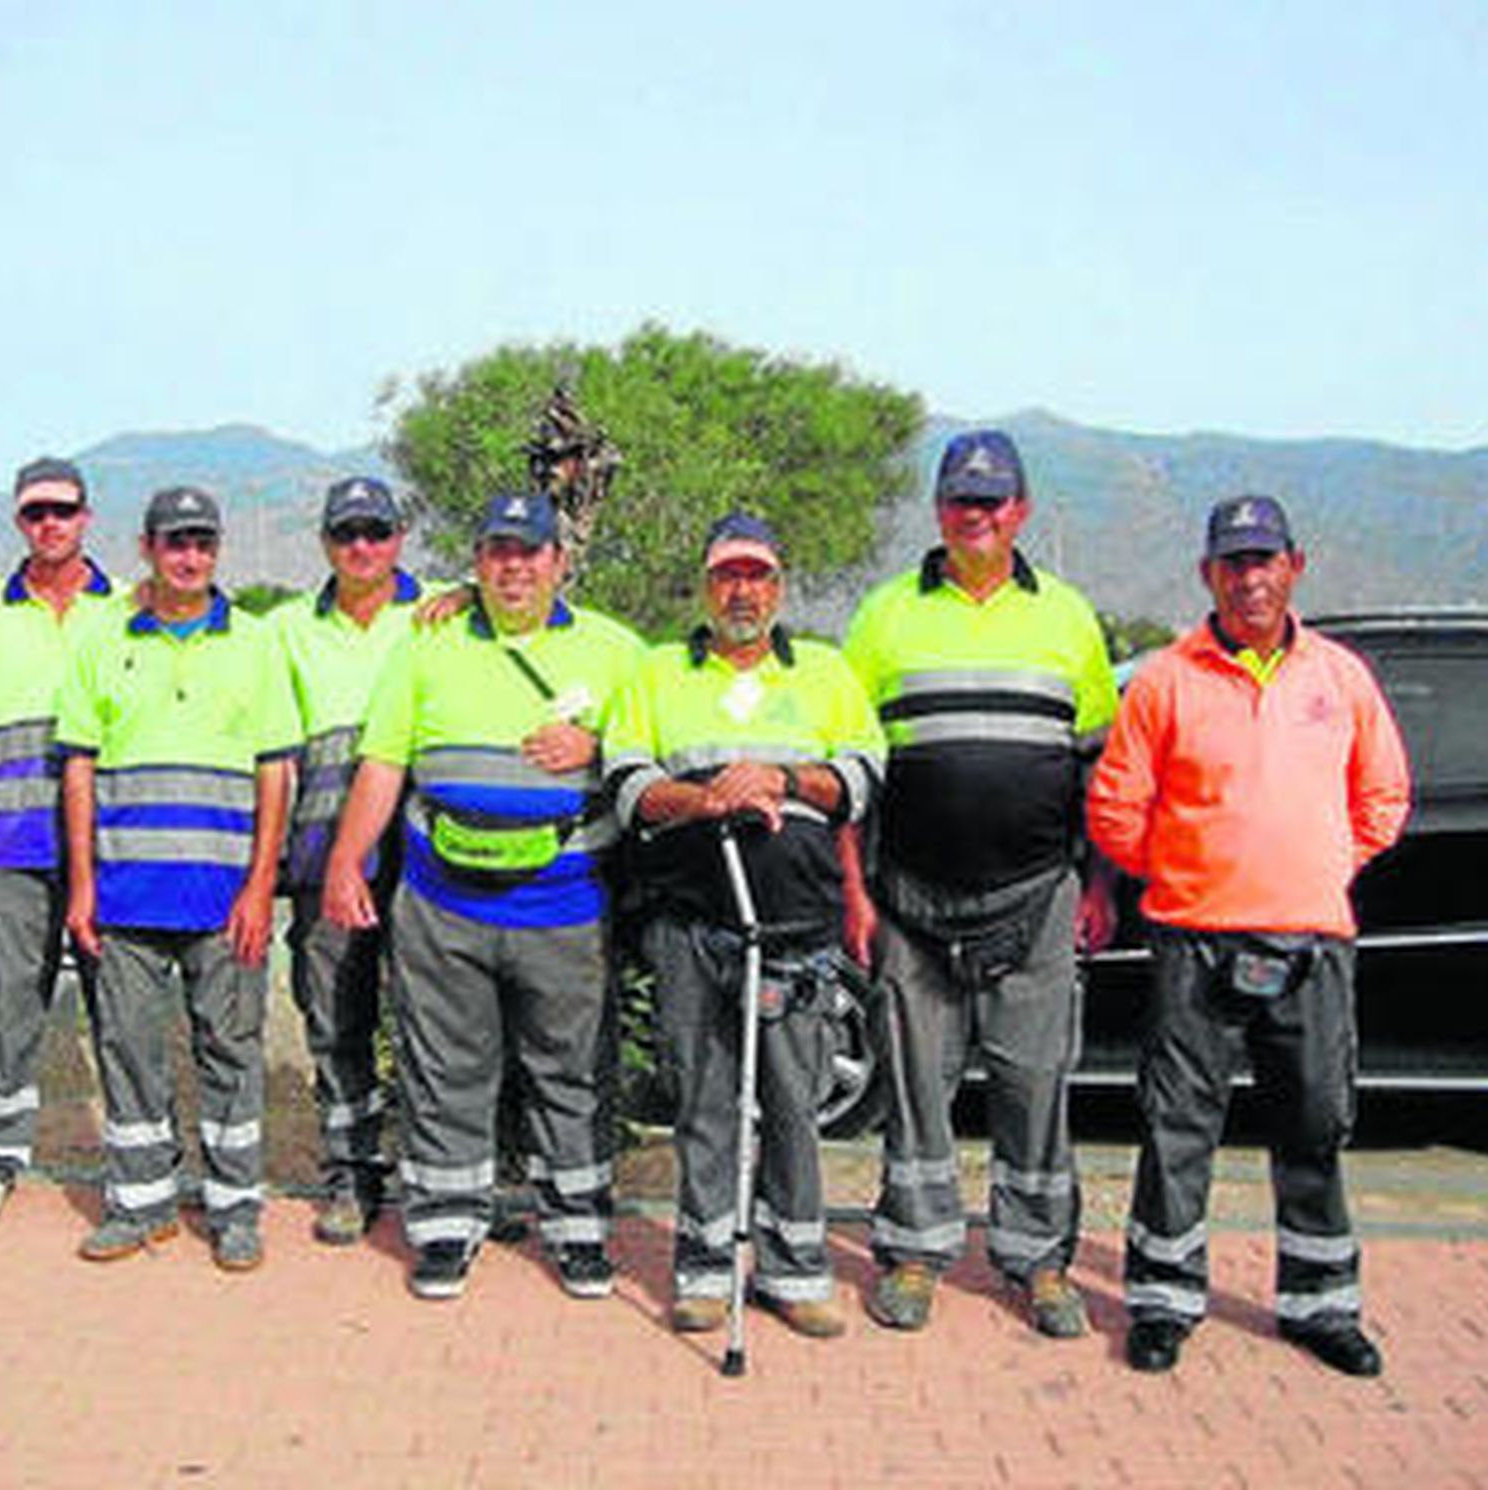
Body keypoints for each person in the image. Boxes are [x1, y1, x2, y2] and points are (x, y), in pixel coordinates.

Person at [1087, 494, 1410, 1377]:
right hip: (1193, 938)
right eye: (1234, 563)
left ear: (1293, 566)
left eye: (1264, 560)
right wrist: (1185, 868)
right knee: (1178, 1128)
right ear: (1208, 575)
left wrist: (1315, 867)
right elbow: (1116, 806)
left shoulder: (1339, 678)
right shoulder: (1164, 679)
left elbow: (1383, 798)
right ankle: (1161, 1301)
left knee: (1313, 1122)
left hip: (1311, 941)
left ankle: (1320, 1307)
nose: (1251, 578)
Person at [322, 491, 643, 1301]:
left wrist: (599, 744)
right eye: (498, 551)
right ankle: (443, 1229)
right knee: (444, 1071)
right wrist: (346, 862)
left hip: (565, 909)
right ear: (477, 561)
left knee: (570, 1073)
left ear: (559, 562)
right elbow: (385, 764)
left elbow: (663, 753)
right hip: (442, 905)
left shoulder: (616, 650)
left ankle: (577, 1232)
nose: (514, 566)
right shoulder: (426, 644)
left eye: (530, 551)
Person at [842, 429, 1119, 1336]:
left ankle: (1038, 1264)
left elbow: (1097, 769)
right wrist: (857, 891)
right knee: (917, 1087)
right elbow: (851, 770)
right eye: (963, 499)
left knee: (1034, 1086)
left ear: (1022, 511)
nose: (978, 514)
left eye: (994, 500)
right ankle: (916, 1254)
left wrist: (1098, 886)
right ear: (939, 509)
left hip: (1037, 895)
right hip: (912, 898)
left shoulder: (1070, 618)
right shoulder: (882, 616)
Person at [604, 513, 886, 1338]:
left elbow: (862, 779)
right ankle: (702, 1269)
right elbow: (628, 786)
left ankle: (796, 1271)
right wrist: (708, 798)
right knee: (707, 1099)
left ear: (780, 586)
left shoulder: (828, 672)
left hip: (796, 930)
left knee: (794, 1101)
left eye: (757, 575)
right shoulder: (657, 673)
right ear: (706, 585)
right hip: (691, 923)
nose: (742, 590)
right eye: (727, 574)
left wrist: (782, 777)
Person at [58, 486, 300, 1271]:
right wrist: (84, 885)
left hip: (225, 898)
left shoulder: (257, 642)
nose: (190, 556)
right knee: (128, 1050)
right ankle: (140, 1204)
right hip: (126, 897)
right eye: (175, 542)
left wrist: (262, 883)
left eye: (202, 541)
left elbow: (275, 770)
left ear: (217, 549)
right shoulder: (100, 639)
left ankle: (234, 1211)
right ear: (147, 547)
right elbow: (80, 770)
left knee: (229, 1048)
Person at [0, 457, 120, 1230]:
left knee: (123, 1010)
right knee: (10, 1003)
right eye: (36, 512)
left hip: (114, 852)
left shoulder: (128, 612)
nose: (50, 524)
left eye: (63, 510)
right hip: (16, 850)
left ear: (87, 517)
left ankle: (136, 1165)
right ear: (19, 521)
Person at [274, 476, 423, 1245]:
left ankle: (444, 1181)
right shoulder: (286, 629)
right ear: (326, 541)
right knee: (337, 1024)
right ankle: (351, 1173)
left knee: (437, 1026)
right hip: (323, 863)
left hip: (429, 863)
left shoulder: (444, 615)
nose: (361, 546)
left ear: (400, 535)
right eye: (346, 533)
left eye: (375, 530)